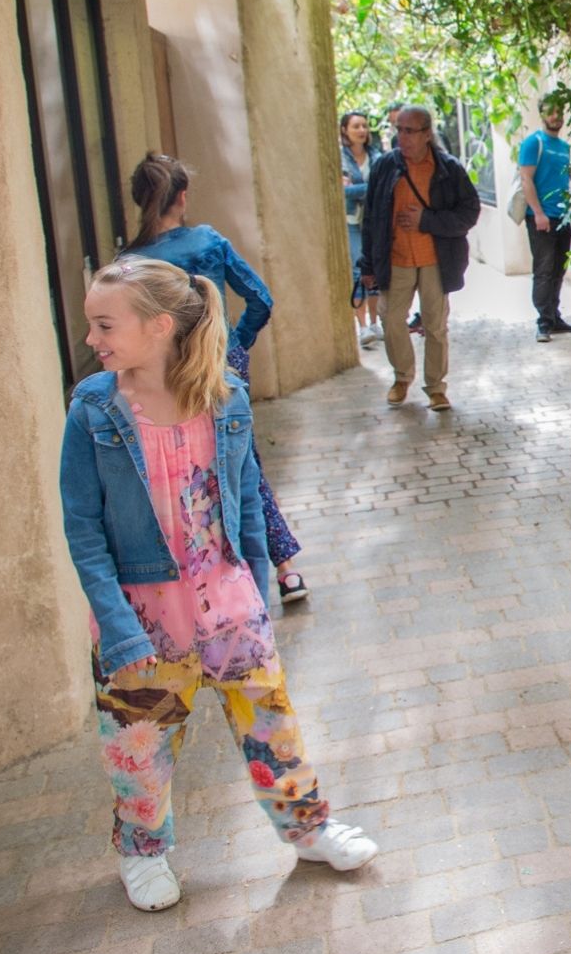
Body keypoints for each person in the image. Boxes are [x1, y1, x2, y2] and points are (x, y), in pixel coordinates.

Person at [60, 257, 376, 912]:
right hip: (141, 620)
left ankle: (309, 831)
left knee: (272, 725)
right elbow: (84, 529)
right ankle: (141, 852)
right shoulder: (94, 409)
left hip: (228, 606)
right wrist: (116, 624)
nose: (91, 338)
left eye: (104, 324)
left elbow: (248, 504)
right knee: (139, 745)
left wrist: (256, 595)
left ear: (158, 328)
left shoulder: (225, 400)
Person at [127, 153, 310, 606]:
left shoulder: (129, 263)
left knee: (195, 471)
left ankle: (225, 581)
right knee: (240, 464)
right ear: (183, 197)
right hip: (220, 368)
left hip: (167, 379)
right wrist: (233, 347)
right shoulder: (207, 241)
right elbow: (260, 299)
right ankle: (277, 573)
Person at [358, 105, 481, 411]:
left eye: (409, 130)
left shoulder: (448, 169)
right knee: (390, 318)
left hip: (435, 260)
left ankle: (436, 387)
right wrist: (368, 265)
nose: (402, 137)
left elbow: (469, 213)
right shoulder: (386, 166)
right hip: (396, 258)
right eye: (398, 130)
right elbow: (371, 217)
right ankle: (402, 378)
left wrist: (427, 220)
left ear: (427, 134)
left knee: (435, 325)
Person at [517, 95, 571, 342]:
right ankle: (543, 322)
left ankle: (554, 316)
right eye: (550, 112)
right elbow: (526, 178)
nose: (555, 117)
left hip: (563, 217)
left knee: (558, 270)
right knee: (543, 270)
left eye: (559, 112)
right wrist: (539, 213)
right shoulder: (534, 143)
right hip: (541, 218)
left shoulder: (564, 147)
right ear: (542, 115)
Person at [340, 111, 384, 348]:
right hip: (352, 221)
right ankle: (362, 325)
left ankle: (375, 322)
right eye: (356, 126)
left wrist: (359, 188)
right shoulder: (341, 158)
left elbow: (384, 187)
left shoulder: (376, 155)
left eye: (364, 126)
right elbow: (343, 192)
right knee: (358, 271)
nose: (361, 130)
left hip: (374, 221)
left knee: (375, 273)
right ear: (345, 130)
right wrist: (369, 188)